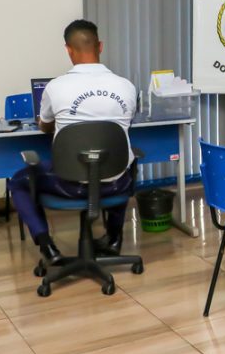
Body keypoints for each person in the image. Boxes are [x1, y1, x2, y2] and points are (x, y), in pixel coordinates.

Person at [9, 19, 138, 265]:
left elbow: (44, 125)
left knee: (18, 181)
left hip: (70, 185)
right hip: (117, 184)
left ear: (68, 50)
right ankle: (113, 238)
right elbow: (120, 129)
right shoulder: (127, 87)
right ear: (100, 46)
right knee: (117, 157)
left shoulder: (55, 87)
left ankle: (48, 247)